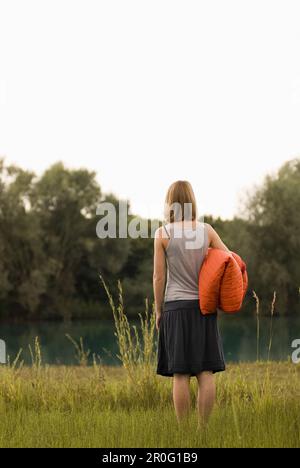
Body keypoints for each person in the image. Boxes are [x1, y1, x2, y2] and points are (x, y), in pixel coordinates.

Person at [153, 180, 229, 428]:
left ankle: (183, 432)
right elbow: (229, 260)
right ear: (192, 200)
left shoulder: (163, 233)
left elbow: (158, 277)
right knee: (205, 372)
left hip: (175, 308)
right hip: (203, 308)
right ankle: (202, 431)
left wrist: (158, 309)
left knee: (181, 373)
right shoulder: (206, 231)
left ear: (170, 203)